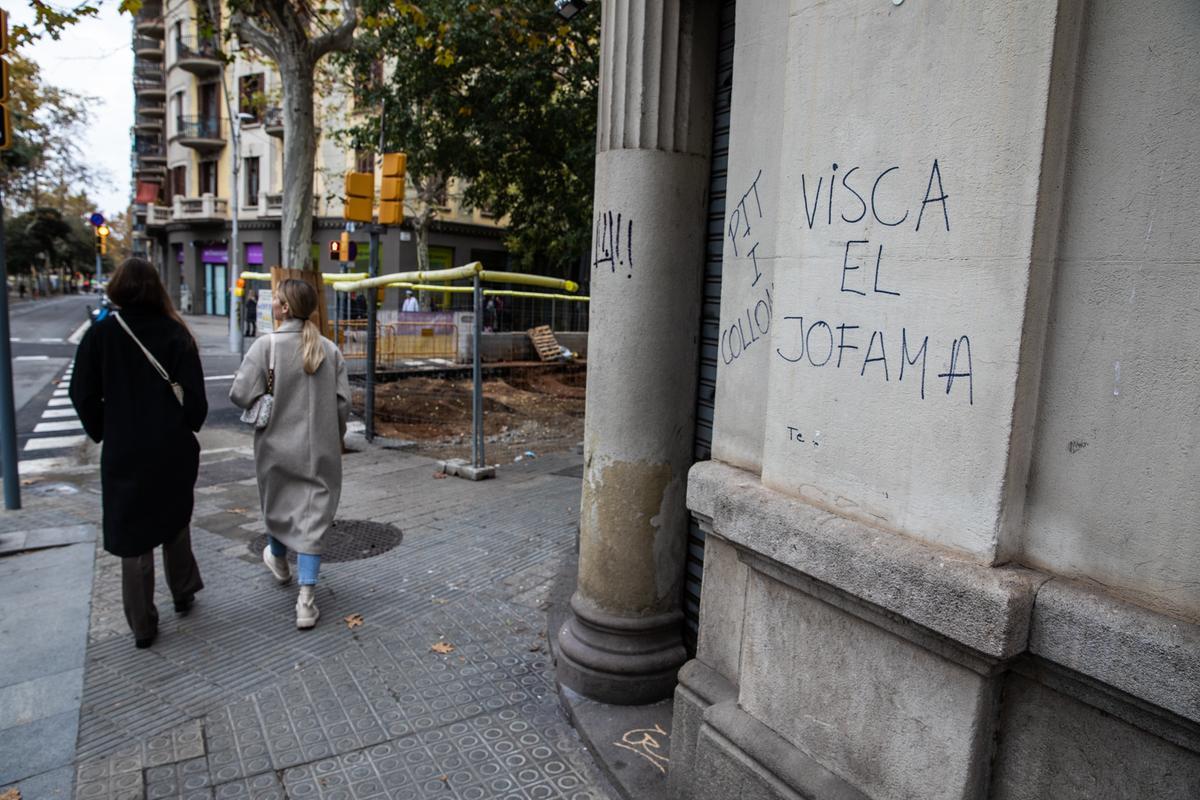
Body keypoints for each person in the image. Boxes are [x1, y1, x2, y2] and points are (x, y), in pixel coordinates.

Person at [69, 257, 208, 649]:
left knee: (134, 535)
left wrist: (104, 429)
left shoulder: (100, 335)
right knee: (175, 519)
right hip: (171, 446)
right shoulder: (175, 333)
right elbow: (196, 399)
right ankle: (183, 592)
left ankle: (143, 625)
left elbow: (81, 393)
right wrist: (184, 425)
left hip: (125, 447)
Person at [230, 279, 349, 629]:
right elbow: (343, 405)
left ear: (282, 308)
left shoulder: (266, 346)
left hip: (275, 448)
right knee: (312, 518)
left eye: (276, 300)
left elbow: (239, 393)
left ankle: (279, 562)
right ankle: (306, 601)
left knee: (279, 506)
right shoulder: (330, 349)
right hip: (321, 450)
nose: (272, 305)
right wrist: (334, 435)